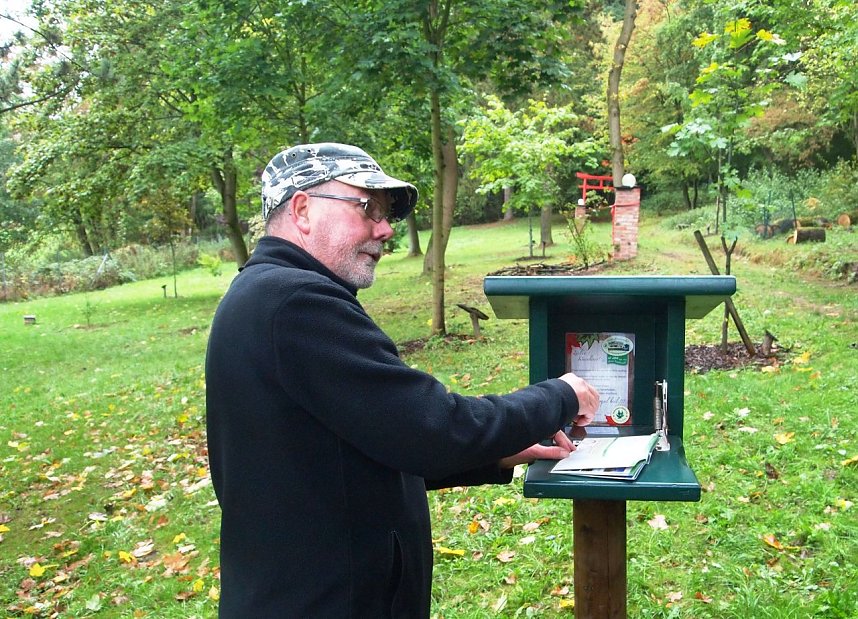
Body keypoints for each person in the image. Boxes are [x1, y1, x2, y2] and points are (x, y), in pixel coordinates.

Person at [205, 142, 599, 618]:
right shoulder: (295, 301)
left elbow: (368, 445)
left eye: (386, 214)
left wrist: (499, 453)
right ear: (303, 210)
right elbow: (433, 429)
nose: (386, 228)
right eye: (367, 208)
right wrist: (559, 396)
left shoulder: (266, 294)